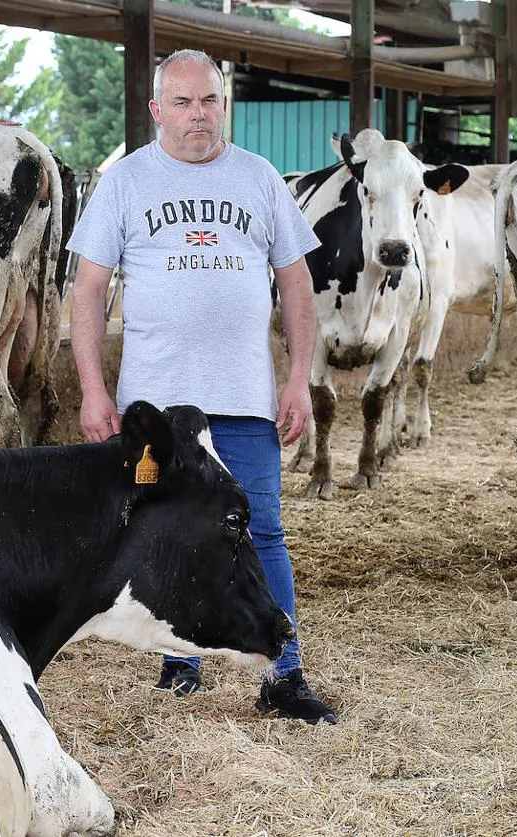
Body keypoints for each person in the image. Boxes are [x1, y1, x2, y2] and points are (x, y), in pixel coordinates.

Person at [66, 49, 337, 725]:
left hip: (245, 396)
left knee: (263, 532)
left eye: (209, 101)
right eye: (182, 103)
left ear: (225, 105)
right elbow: (89, 290)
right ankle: (180, 661)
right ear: (157, 109)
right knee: (165, 528)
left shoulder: (260, 178)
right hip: (156, 405)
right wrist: (94, 391)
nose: (197, 115)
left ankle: (284, 675)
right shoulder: (125, 182)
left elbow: (298, 284)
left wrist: (298, 381)